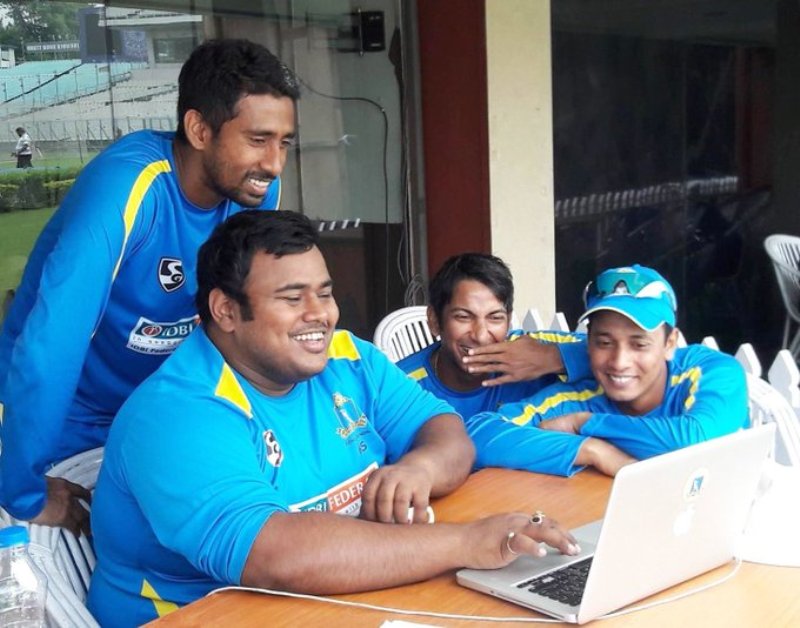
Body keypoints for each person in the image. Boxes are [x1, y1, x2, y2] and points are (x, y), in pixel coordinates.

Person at [87, 210, 581, 626]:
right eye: (292, 298)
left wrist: (421, 467)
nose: (320, 314)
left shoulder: (347, 360)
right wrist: (468, 541)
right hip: (203, 615)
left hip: (334, 602)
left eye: (324, 293)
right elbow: (273, 555)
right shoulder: (179, 413)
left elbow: (446, 432)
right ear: (226, 310)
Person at [0, 39, 299, 532]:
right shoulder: (129, 186)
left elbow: (249, 325)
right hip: (64, 419)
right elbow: (50, 345)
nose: (274, 164)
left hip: (158, 412)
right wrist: (25, 493)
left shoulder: (254, 192)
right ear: (199, 129)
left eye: (284, 142)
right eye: (257, 139)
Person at [465, 264, 749, 477]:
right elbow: (479, 435)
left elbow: (697, 441)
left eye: (639, 344)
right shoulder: (580, 397)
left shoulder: (710, 371)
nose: (619, 361)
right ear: (587, 344)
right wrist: (594, 450)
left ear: (669, 344)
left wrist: (586, 424)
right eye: (604, 343)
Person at [397, 253, 590, 419]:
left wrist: (552, 358)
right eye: (463, 317)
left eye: (495, 318)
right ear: (434, 321)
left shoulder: (531, 352)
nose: (481, 336)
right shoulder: (402, 388)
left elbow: (604, 351)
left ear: (509, 320)